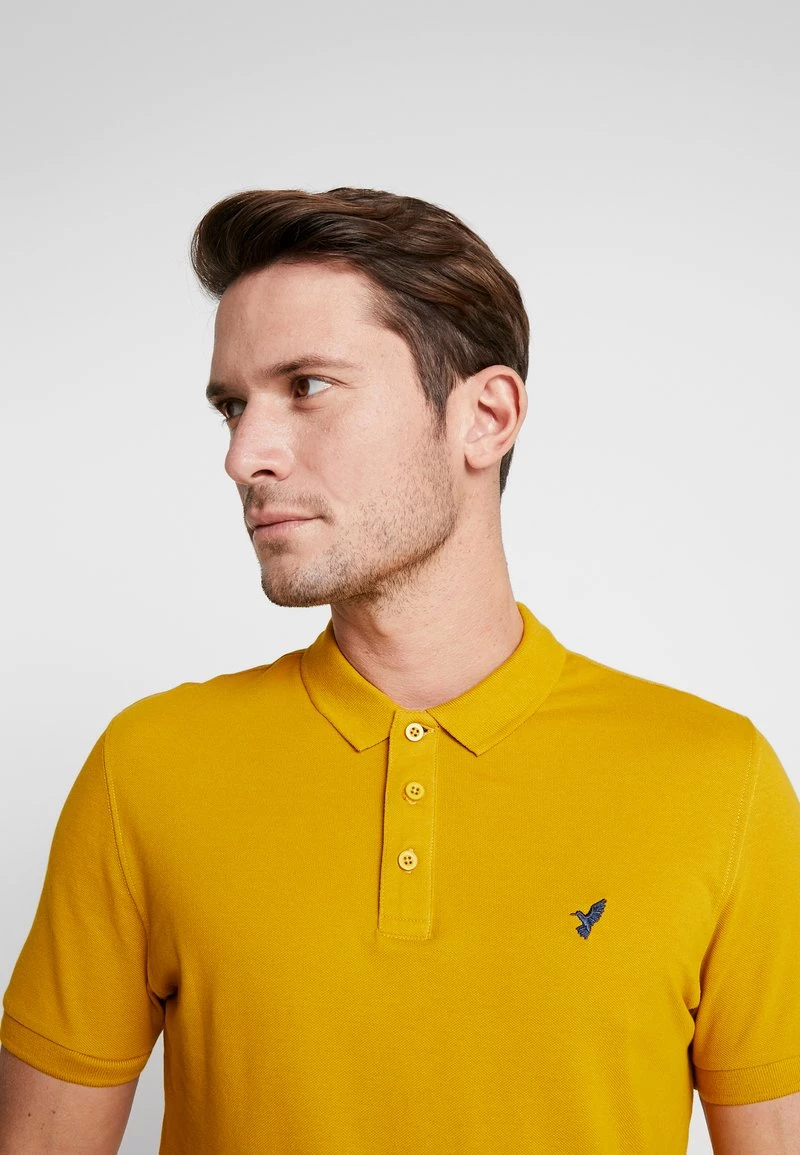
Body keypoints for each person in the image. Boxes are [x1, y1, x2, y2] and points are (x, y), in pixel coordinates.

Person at [1, 187, 798, 1155]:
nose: (243, 455)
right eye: (232, 406)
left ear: (484, 417)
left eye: (306, 386)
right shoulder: (146, 769)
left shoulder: (719, 783)